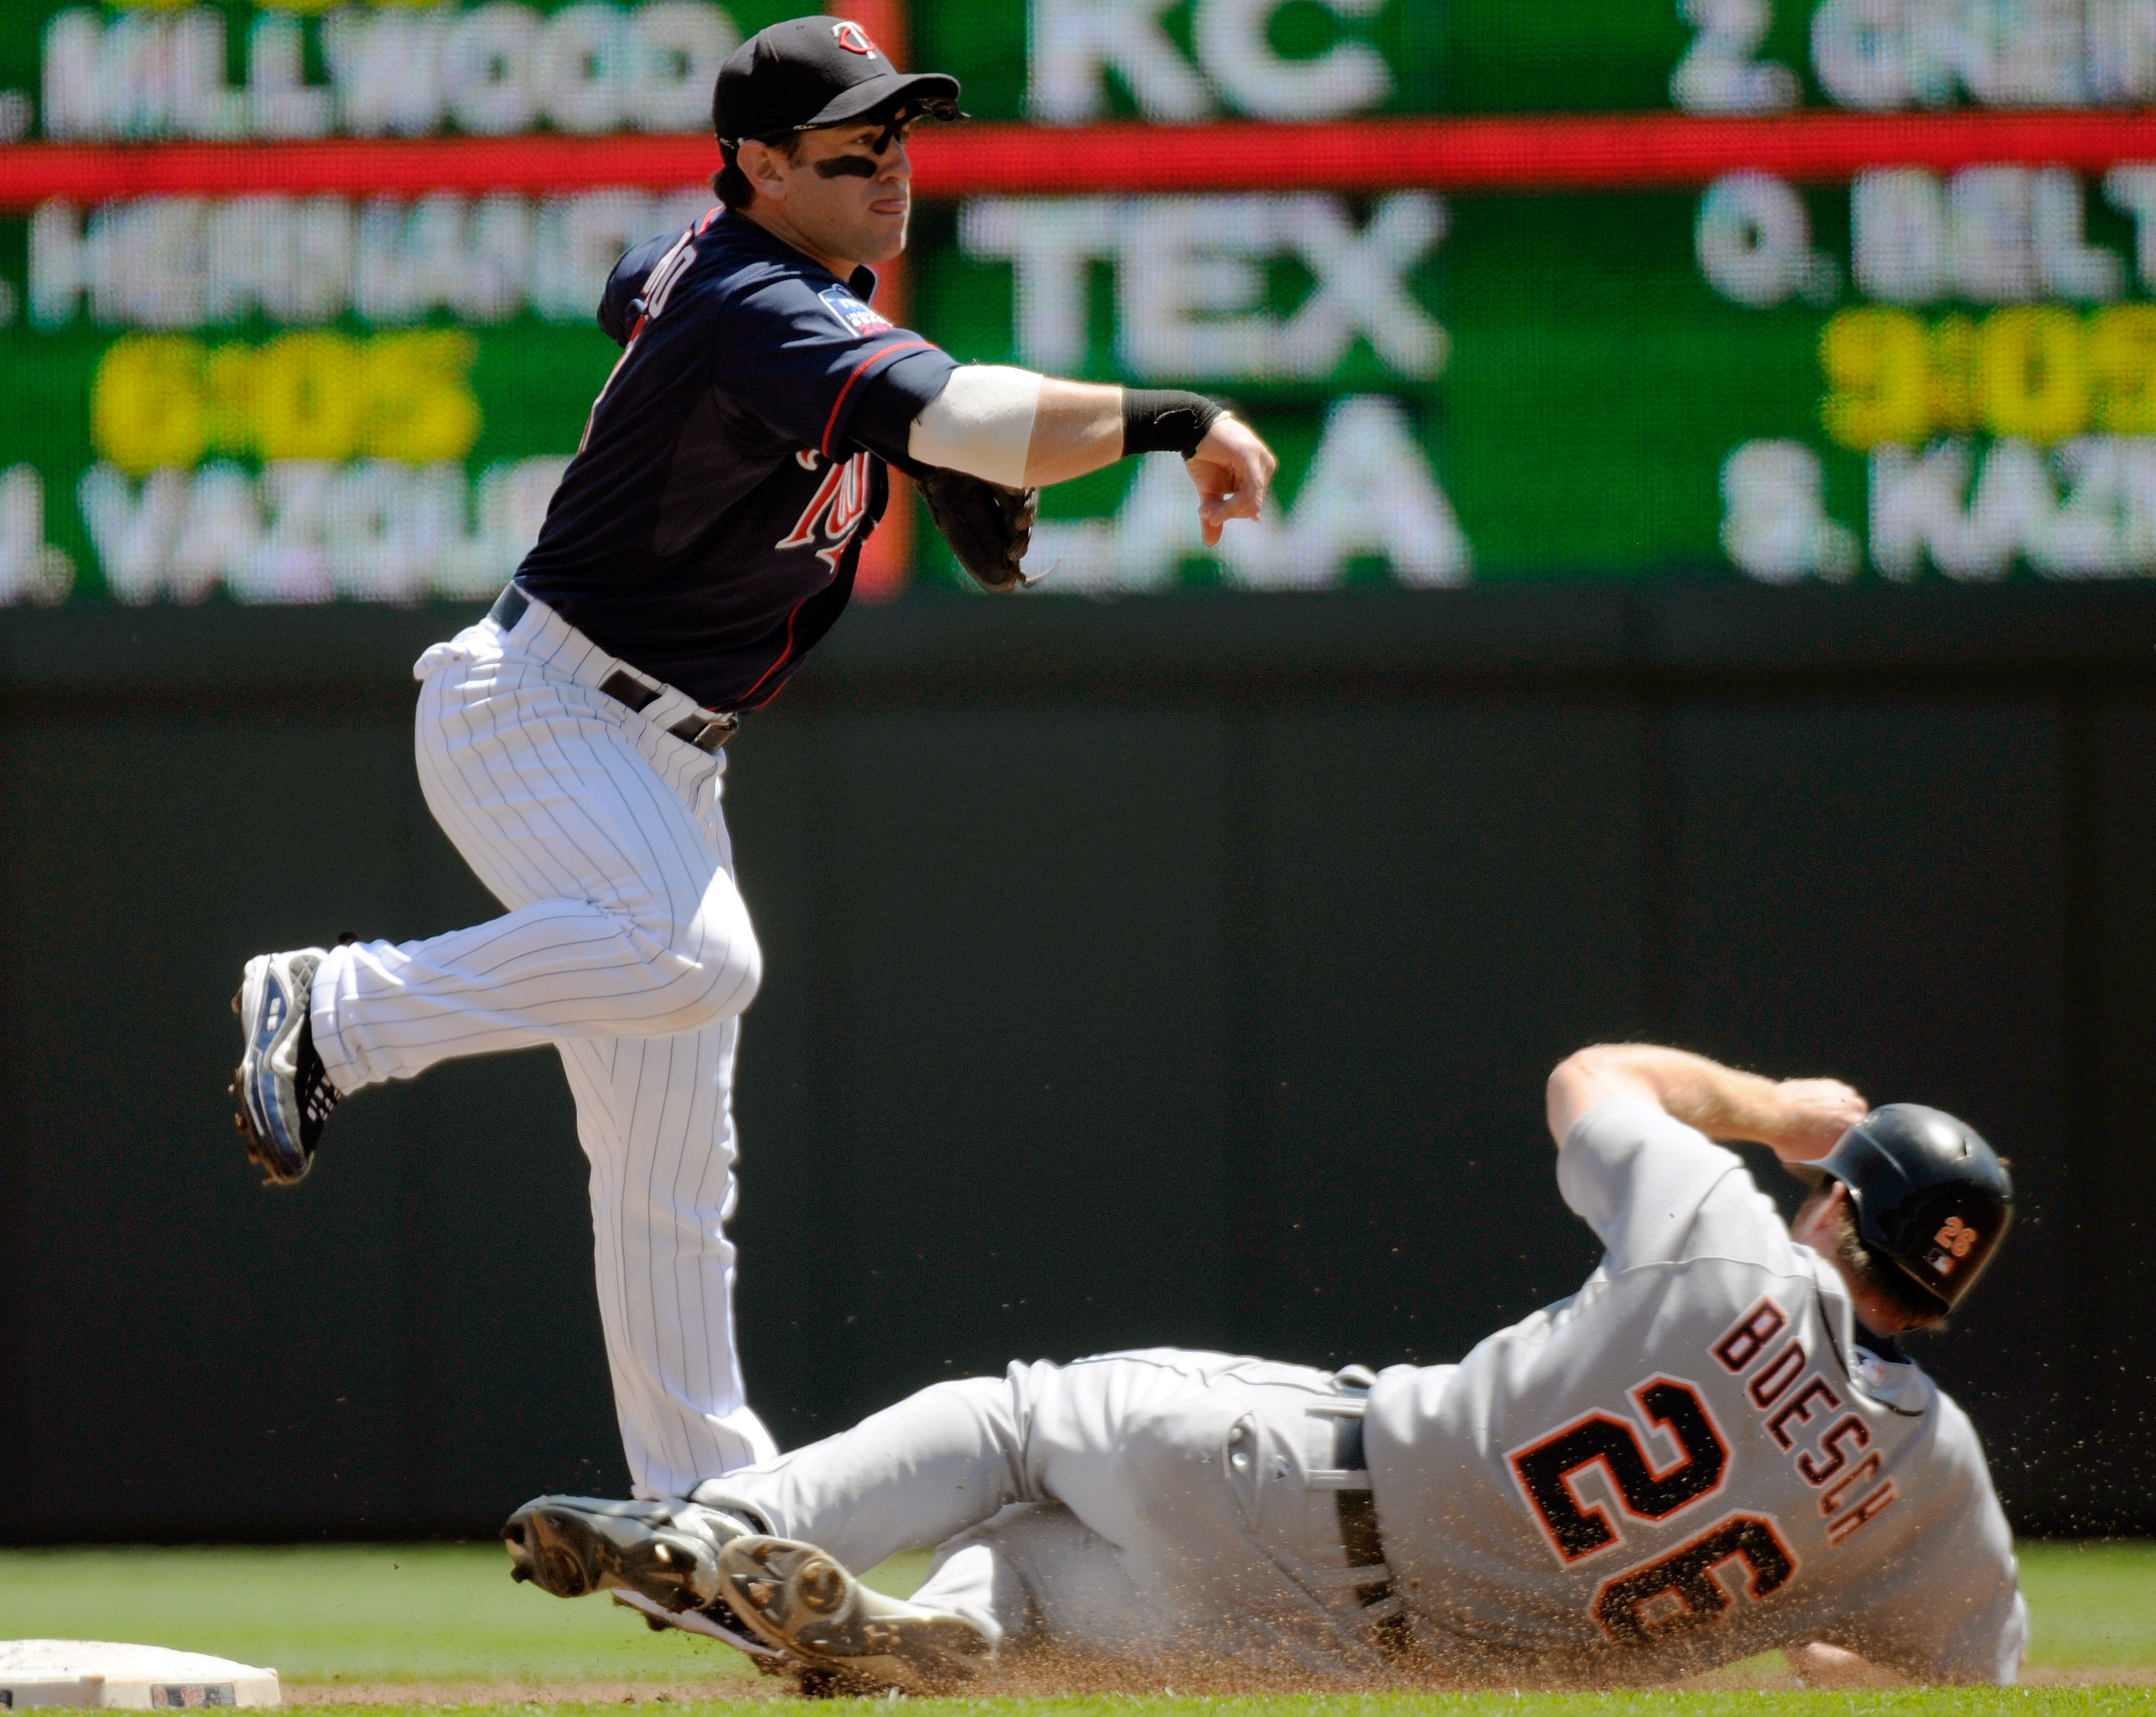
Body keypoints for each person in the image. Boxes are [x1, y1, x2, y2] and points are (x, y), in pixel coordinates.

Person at [226, 15, 1277, 1503]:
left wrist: (917, 450)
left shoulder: (760, 288)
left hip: (654, 752)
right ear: (762, 166)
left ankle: (704, 1513)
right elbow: (949, 402)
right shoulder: (761, 302)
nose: (891, 172)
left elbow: (645, 294)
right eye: (854, 151)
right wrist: (1173, 422)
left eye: (900, 141)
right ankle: (338, 1008)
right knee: (693, 953)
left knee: (670, 1181)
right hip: (543, 712)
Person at [502, 1042, 2024, 1690]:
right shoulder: (1934, 1496)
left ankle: (709, 1530)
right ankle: (921, 1643)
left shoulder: (1729, 1241)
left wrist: (1775, 1109)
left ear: (1841, 1202)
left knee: (1014, 1416)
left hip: (1312, 1486)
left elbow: (1592, 1082)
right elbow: (1976, 1690)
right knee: (1021, 1571)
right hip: (1350, 1667)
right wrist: (1815, 1636)